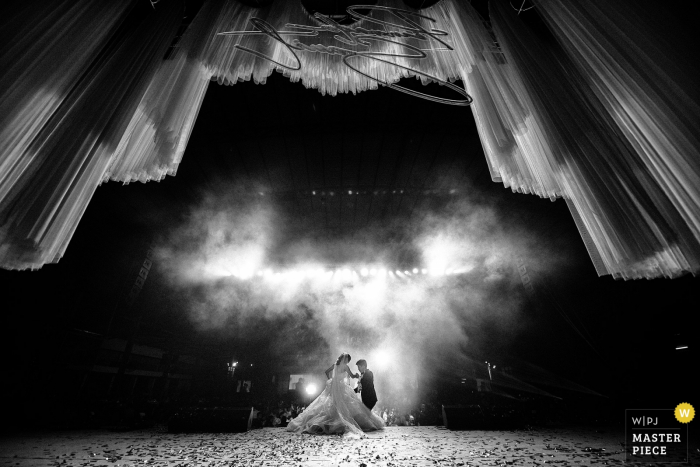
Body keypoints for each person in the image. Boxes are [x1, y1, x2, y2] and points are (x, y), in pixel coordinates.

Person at [286, 353, 385, 438]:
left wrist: (332, 380)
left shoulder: (335, 365)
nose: (347, 362)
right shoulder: (345, 367)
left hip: (333, 386)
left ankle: (330, 423)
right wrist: (356, 376)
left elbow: (326, 372)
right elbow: (352, 375)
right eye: (348, 360)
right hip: (341, 387)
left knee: (329, 404)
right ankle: (340, 423)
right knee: (343, 405)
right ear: (346, 360)